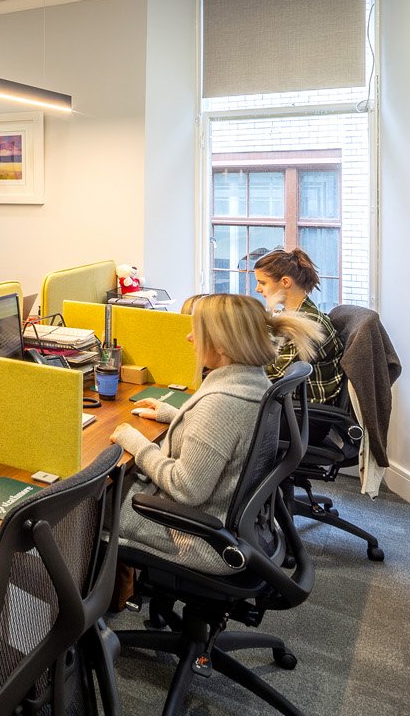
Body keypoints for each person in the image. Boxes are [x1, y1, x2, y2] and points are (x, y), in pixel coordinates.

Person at [111, 293, 324, 582]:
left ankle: (87, 615)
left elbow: (186, 488)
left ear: (222, 345)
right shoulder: (254, 381)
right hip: (235, 525)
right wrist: (177, 415)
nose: (189, 338)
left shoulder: (221, 404)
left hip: (200, 539)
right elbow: (230, 436)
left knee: (97, 498)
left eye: (197, 331)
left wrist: (136, 442)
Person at [252, 248, 344, 405]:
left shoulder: (307, 323)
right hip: (293, 402)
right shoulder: (290, 314)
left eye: (263, 283)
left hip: (306, 411)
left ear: (286, 282)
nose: (257, 289)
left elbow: (275, 373)